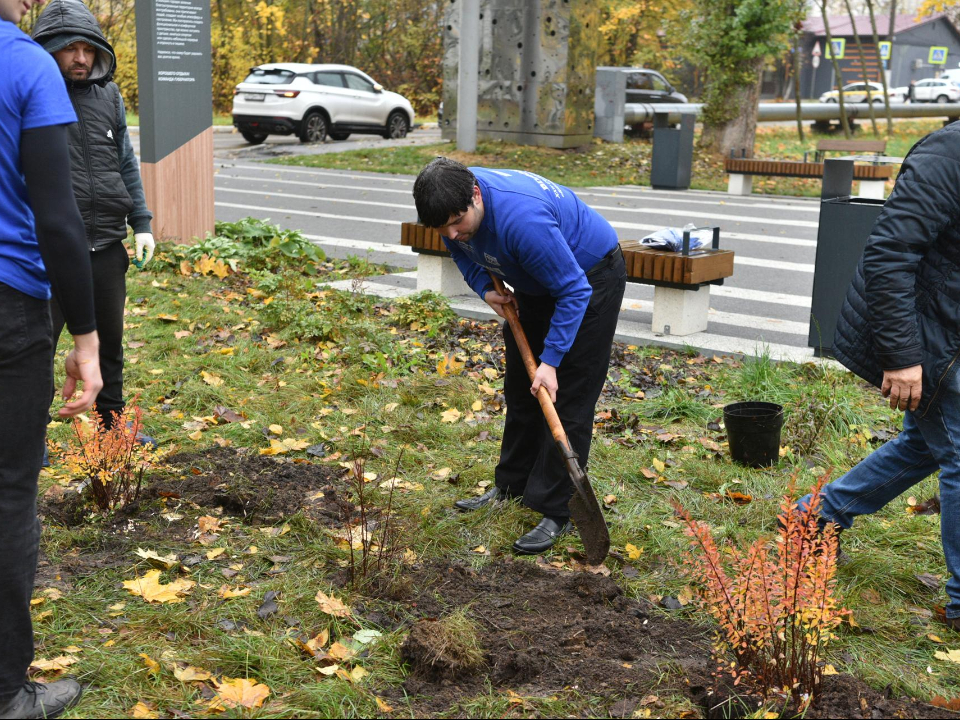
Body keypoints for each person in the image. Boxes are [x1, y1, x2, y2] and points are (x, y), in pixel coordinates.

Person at [413, 158, 626, 555]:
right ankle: (511, 484)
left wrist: (552, 361)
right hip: (535, 279)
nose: (452, 233)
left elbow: (574, 291)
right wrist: (483, 286)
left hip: (588, 279)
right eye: (442, 227)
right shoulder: (449, 206)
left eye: (458, 221)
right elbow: (459, 248)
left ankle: (556, 508)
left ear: (476, 195)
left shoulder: (522, 220)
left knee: (568, 397)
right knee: (521, 388)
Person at [801, 122, 960, 631]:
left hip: (950, 333)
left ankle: (816, 517)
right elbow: (889, 254)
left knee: (923, 446)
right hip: (927, 335)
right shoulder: (948, 152)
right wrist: (902, 355)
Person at [0, 0, 103, 715]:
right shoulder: (26, 65)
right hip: (9, 309)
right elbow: (58, 217)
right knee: (8, 495)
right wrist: (87, 338)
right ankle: (7, 691)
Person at [32, 0, 154, 434]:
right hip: (47, 248)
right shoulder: (30, 94)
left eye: (87, 48)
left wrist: (141, 222)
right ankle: (28, 440)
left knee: (109, 345)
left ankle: (113, 427)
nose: (80, 58)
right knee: (35, 349)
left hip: (105, 244)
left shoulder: (110, 95)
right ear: (48, 50)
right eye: (69, 49)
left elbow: (125, 161)